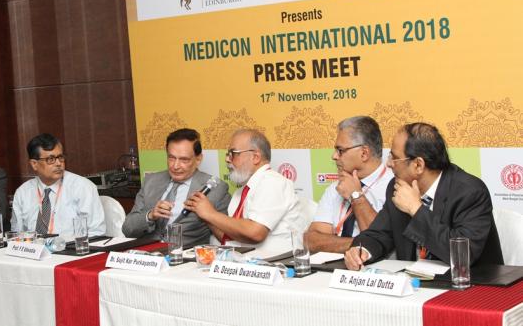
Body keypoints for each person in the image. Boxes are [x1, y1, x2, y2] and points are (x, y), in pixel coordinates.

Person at [344, 122, 503, 270]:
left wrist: (416, 209)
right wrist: (361, 250)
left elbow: (463, 255)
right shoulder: (397, 186)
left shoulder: (469, 192)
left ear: (418, 165)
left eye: (395, 158)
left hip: (471, 283)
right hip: (415, 283)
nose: (389, 164)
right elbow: (379, 234)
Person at [184, 128, 306, 255]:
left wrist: (210, 214)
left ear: (255, 157)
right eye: (228, 154)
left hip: (278, 262)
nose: (227, 159)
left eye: (233, 153)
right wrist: (204, 215)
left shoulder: (272, 182)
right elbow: (230, 239)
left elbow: (255, 233)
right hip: (246, 261)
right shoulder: (241, 191)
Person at [122, 128, 230, 248]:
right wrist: (150, 215)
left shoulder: (216, 189)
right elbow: (127, 229)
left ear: (198, 159)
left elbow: (226, 237)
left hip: (186, 256)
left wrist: (208, 215)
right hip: (147, 253)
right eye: (171, 158)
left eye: (184, 160)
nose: (175, 166)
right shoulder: (151, 181)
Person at [306, 116, 392, 253]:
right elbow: (311, 240)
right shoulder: (336, 187)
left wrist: (356, 196)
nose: (334, 156)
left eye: (340, 150)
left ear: (364, 153)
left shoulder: (394, 187)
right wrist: (359, 244)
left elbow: (381, 241)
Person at [11, 133, 105, 239]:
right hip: (33, 248)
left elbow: (96, 232)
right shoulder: (23, 193)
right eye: (50, 159)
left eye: (60, 157)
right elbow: (16, 235)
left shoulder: (82, 187)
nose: (58, 163)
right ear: (34, 164)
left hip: (71, 248)